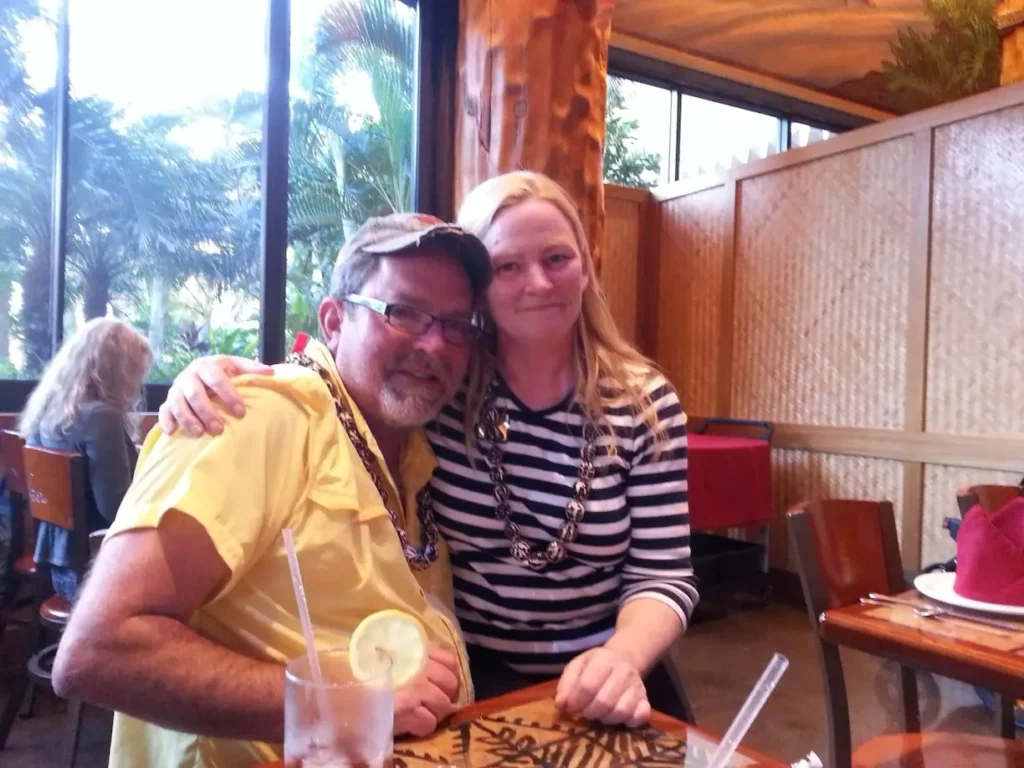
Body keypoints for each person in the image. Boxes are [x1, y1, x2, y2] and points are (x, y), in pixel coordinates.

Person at [160, 171, 698, 729]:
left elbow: (663, 575)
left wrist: (621, 658)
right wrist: (216, 376)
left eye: (557, 258)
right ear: (481, 291)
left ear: (587, 265)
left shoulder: (644, 403)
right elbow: (345, 383)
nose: (537, 283)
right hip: (476, 685)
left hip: (615, 682)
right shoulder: (443, 385)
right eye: (508, 266)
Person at [52, 214, 493, 767]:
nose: (435, 345)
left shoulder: (421, 454)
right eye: (403, 313)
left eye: (456, 326)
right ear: (333, 321)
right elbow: (99, 650)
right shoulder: (256, 417)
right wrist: (351, 700)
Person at [18, 318, 152, 602]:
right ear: (116, 371)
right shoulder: (101, 416)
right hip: (93, 575)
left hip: (58, 565)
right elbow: (116, 510)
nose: (137, 384)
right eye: (135, 373)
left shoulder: (48, 410)